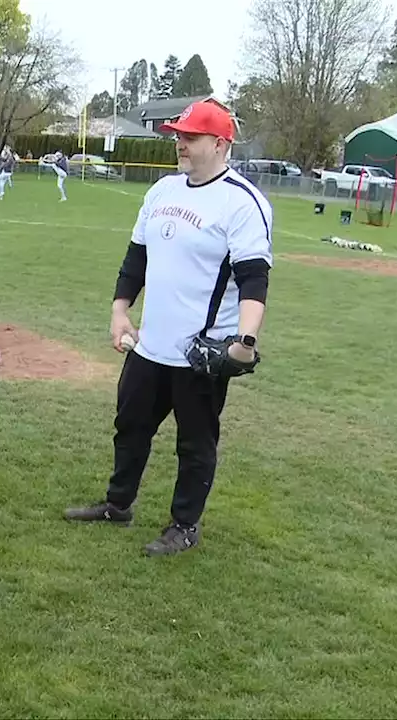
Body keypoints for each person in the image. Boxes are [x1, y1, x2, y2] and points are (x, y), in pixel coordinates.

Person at [63, 98, 272, 556]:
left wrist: (245, 342)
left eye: (190, 136)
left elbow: (254, 277)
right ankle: (118, 505)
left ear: (220, 144)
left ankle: (185, 525)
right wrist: (120, 311)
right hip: (149, 346)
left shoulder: (243, 202)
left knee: (195, 443)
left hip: (202, 352)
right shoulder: (162, 192)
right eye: (178, 134)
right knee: (129, 426)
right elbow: (135, 259)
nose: (180, 142)